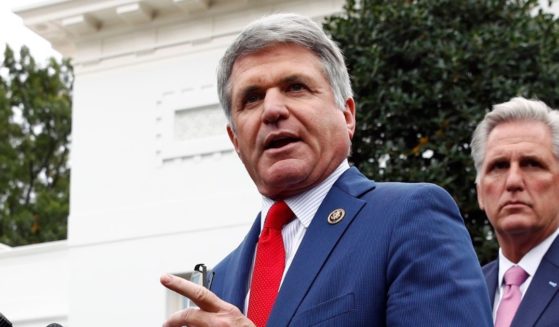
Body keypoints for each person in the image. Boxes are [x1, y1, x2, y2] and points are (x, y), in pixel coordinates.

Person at [160, 13, 492, 327]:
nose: (273, 110)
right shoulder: (220, 282)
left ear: (347, 115)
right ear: (235, 139)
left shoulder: (410, 218)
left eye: (295, 87)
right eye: (252, 98)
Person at [471, 97, 559, 327]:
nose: (513, 181)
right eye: (498, 166)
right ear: (480, 192)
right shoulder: (464, 291)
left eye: (532, 164)